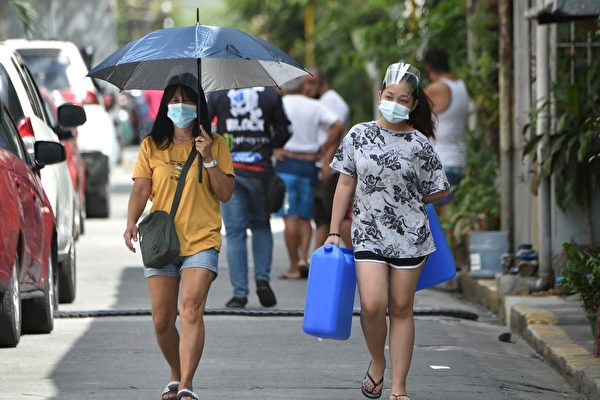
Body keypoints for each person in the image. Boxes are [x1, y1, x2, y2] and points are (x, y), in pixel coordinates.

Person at [325, 62, 449, 400]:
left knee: (401, 307)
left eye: (403, 98)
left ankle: (398, 387)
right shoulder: (358, 134)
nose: (395, 102)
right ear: (381, 95)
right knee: (373, 304)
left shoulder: (419, 143)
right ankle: (378, 361)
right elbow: (345, 182)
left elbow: (440, 188)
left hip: (411, 237)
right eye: (390, 95)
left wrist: (411, 197)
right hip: (367, 232)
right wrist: (334, 230)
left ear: (413, 104)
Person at [123, 79, 235, 400]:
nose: (180, 105)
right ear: (164, 106)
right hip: (162, 243)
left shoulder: (216, 144)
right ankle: (174, 371)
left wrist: (209, 157)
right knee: (161, 321)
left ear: (199, 106)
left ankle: (186, 384)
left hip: (202, 240)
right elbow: (142, 188)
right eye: (174, 99)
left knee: (190, 310)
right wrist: (131, 221)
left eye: (187, 99)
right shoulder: (151, 146)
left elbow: (225, 194)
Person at [207, 86, 292, 308]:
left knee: (235, 233)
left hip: (230, 171)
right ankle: (262, 279)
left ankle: (240, 293)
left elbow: (203, 129)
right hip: (261, 171)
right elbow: (285, 131)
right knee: (261, 225)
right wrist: (267, 145)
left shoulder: (217, 95)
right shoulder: (270, 95)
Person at [277, 77, 343, 279]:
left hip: (286, 164)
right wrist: (324, 149)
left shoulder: (279, 104)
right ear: (302, 86)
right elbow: (338, 125)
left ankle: (294, 266)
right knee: (305, 217)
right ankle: (304, 258)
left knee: (290, 216)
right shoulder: (314, 105)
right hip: (308, 166)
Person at [302, 68, 352, 260]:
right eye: (305, 83)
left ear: (324, 84)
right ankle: (319, 259)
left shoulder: (331, 100)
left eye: (311, 83)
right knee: (322, 219)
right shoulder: (323, 101)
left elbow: (337, 130)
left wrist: (326, 162)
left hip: (332, 169)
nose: (306, 88)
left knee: (338, 218)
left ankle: (360, 257)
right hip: (326, 167)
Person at [423, 47, 469, 207]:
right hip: (458, 161)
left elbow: (408, 114)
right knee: (449, 221)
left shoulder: (437, 89)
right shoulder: (461, 87)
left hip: (441, 165)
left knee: (438, 225)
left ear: (428, 67)